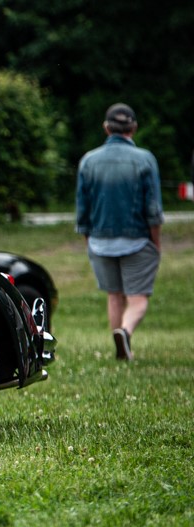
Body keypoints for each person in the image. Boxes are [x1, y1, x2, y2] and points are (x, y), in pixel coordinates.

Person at [75, 103, 163, 361]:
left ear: (106, 128)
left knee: (115, 296)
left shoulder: (88, 161)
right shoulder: (145, 159)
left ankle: (121, 343)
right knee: (137, 300)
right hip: (137, 240)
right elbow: (153, 209)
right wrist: (156, 243)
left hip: (100, 242)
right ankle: (124, 332)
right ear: (134, 128)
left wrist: (89, 240)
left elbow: (83, 210)